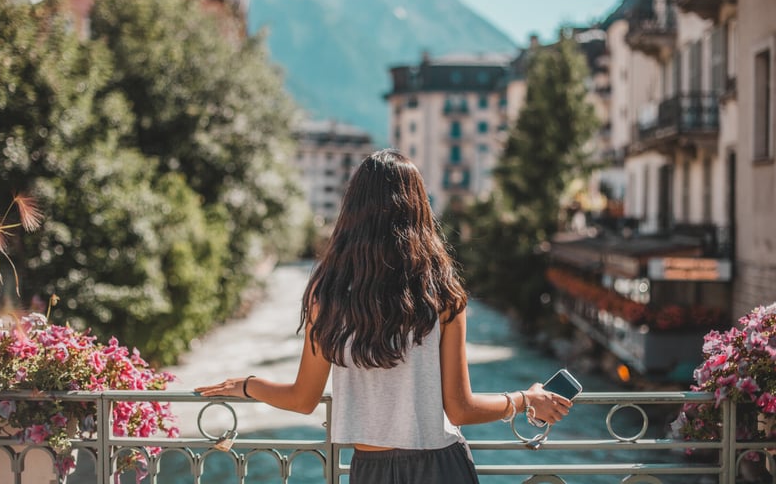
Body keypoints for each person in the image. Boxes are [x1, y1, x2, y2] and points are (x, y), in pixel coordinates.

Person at [196, 149, 572, 483]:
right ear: (418, 208)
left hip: (369, 470)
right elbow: (460, 407)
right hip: (441, 467)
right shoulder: (440, 291)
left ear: (352, 210)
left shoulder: (326, 294)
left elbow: (302, 398)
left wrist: (247, 385)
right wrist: (526, 398)